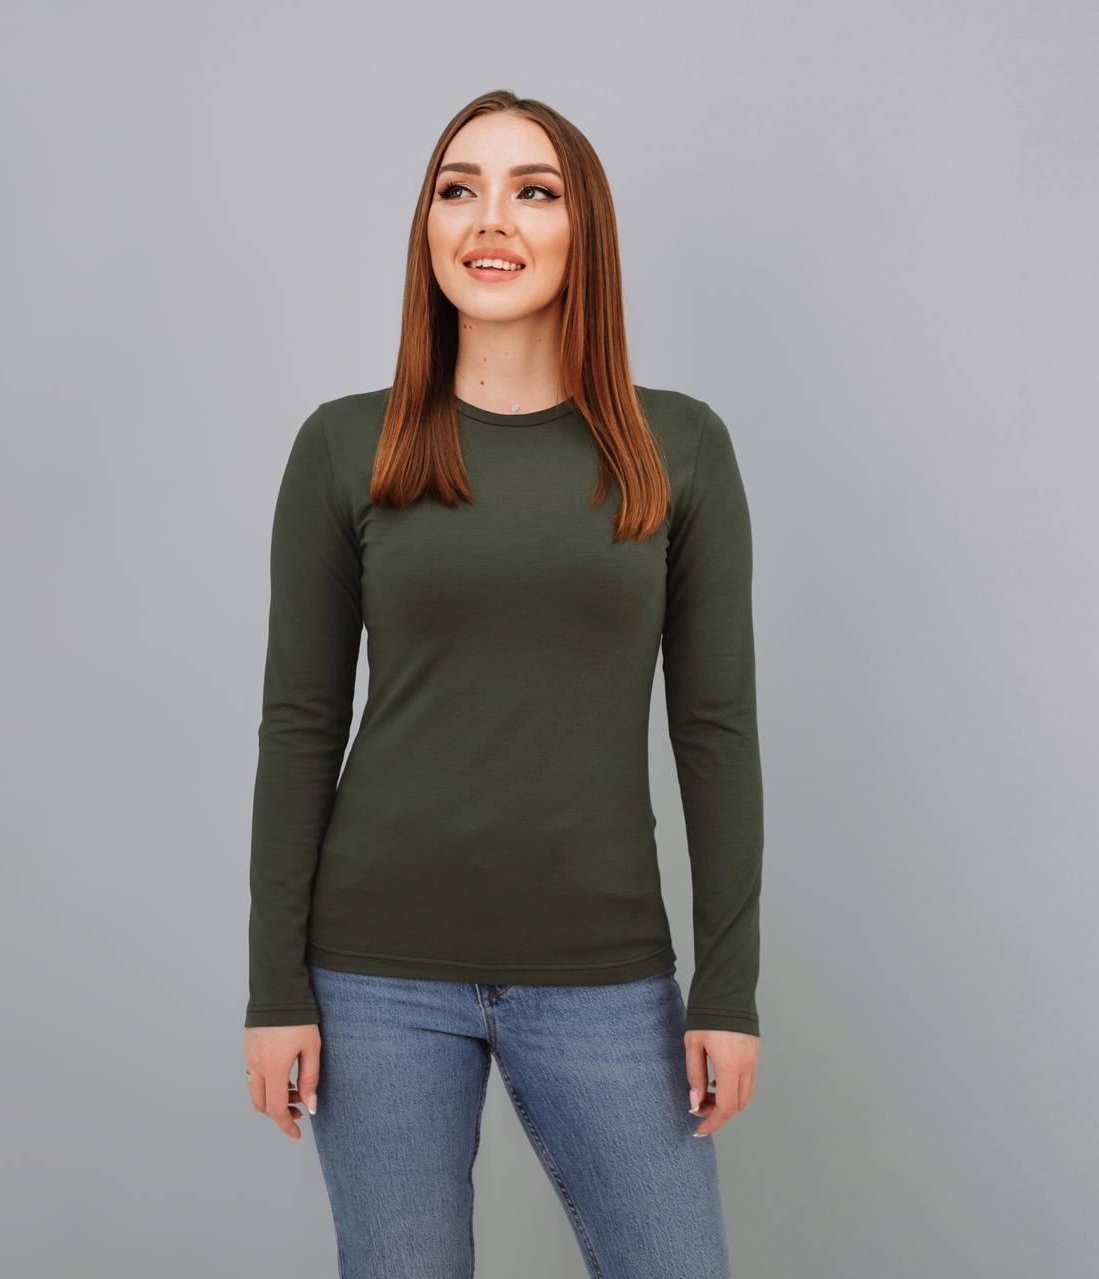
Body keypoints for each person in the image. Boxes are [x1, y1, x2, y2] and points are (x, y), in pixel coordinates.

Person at [242, 89, 764, 1279]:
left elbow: (715, 734)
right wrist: (274, 987)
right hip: (373, 974)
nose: (490, 218)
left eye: (533, 190)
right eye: (457, 188)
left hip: (602, 969)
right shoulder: (346, 446)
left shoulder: (676, 447)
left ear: (584, 232)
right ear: (428, 230)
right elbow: (299, 727)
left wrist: (725, 992)